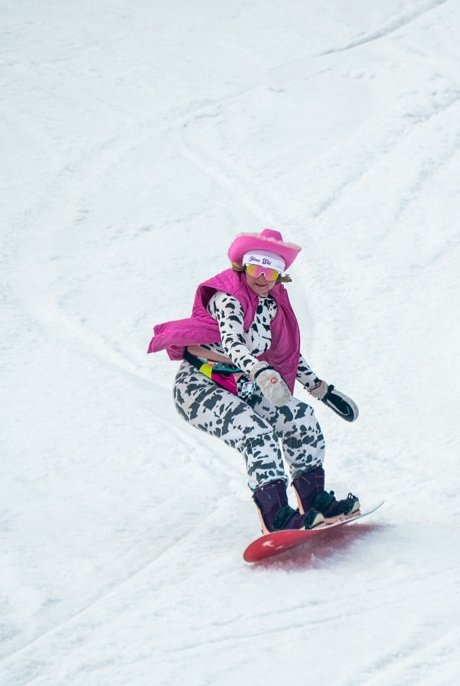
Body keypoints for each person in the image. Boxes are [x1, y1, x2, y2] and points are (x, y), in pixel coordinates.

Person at [147, 228, 361, 533]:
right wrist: (261, 372)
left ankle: (315, 502)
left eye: (270, 271)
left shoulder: (271, 305)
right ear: (243, 267)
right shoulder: (228, 297)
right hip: (199, 386)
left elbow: (286, 352)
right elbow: (233, 343)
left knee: (299, 417)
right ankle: (277, 516)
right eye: (256, 268)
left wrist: (320, 389)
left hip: (247, 384)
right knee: (256, 432)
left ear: (279, 275)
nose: (262, 277)